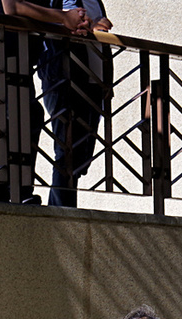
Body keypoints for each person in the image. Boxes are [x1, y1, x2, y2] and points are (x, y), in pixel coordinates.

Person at [0, 0, 90, 203]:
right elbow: (12, 8)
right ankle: (19, 193)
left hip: (17, 63)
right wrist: (64, 17)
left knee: (8, 124)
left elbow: (42, 14)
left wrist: (77, 23)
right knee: (26, 114)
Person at [40, 0, 113, 207]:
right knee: (67, 149)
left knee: (82, 154)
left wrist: (107, 82)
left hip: (94, 82)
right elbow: (54, 22)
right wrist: (86, 26)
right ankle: (62, 211)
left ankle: (62, 206)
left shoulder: (94, 1)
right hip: (64, 78)